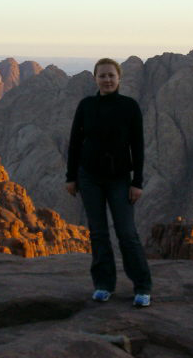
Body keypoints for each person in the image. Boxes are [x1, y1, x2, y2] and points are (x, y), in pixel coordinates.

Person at [65, 58, 152, 307]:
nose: (107, 79)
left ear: (119, 78)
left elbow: (138, 147)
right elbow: (74, 143)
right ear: (95, 79)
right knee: (98, 232)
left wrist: (138, 182)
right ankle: (104, 284)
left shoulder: (129, 107)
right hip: (89, 177)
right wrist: (71, 177)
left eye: (111, 75)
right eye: (102, 75)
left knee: (126, 232)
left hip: (119, 178)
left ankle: (142, 286)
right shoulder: (86, 106)